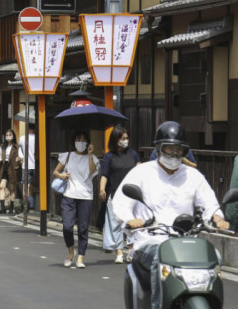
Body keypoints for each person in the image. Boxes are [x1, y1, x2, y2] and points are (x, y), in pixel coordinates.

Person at [112, 121, 229, 309]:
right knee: (160, 256)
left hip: (186, 244)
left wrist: (218, 218)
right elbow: (120, 202)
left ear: (185, 152)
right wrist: (130, 220)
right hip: (150, 242)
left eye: (179, 150)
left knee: (215, 255)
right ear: (158, 149)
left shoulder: (193, 176)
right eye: (169, 149)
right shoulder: (141, 172)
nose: (174, 154)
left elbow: (210, 204)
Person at [52, 130, 99, 269]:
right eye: (79, 139)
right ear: (74, 141)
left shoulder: (93, 158)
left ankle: (80, 257)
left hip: (86, 196)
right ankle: (71, 252)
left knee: (83, 228)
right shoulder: (67, 156)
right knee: (67, 227)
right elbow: (55, 172)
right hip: (69, 195)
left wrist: (90, 154)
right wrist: (61, 176)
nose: (81, 142)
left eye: (84, 140)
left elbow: (91, 171)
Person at [99, 125, 141, 264]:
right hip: (115, 193)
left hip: (132, 194)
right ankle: (118, 251)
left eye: (127, 138)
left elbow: (139, 169)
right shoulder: (109, 156)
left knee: (131, 221)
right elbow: (104, 175)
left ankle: (130, 250)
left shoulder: (133, 154)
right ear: (116, 139)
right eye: (123, 138)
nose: (125, 140)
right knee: (114, 223)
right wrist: (102, 189)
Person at [0, 129, 23, 214]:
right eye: (7, 135)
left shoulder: (17, 147)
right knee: (1, 186)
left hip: (13, 167)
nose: (8, 137)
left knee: (12, 188)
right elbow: (0, 155)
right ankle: (3, 207)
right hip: (4, 166)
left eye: (10, 135)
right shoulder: (2, 146)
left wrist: (19, 159)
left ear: (13, 136)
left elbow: (21, 157)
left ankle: (11, 207)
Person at [19, 124, 37, 209]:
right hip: (36, 165)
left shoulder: (23, 138)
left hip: (26, 165)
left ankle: (27, 204)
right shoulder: (38, 138)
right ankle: (35, 203)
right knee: (36, 186)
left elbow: (21, 150)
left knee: (26, 186)